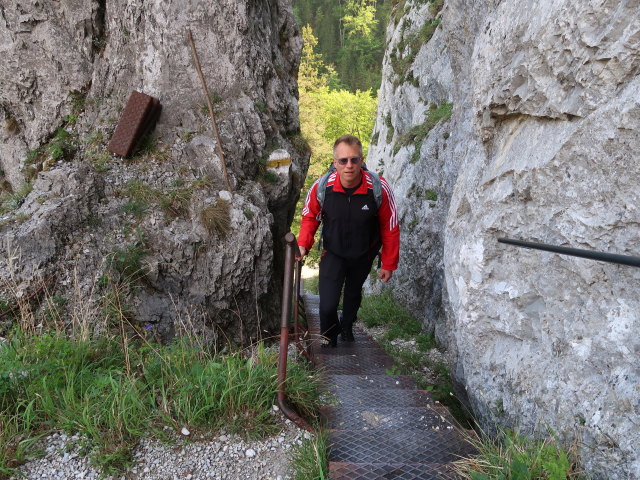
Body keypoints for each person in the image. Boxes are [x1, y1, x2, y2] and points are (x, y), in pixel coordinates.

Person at [296, 134, 400, 347]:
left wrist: (388, 263)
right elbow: (309, 217)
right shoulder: (322, 187)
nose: (349, 165)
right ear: (335, 163)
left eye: (354, 159)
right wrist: (303, 244)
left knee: (353, 292)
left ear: (362, 161)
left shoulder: (378, 188)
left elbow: (390, 226)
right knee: (327, 305)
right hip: (334, 252)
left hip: (364, 252)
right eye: (343, 160)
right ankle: (329, 336)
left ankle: (347, 326)